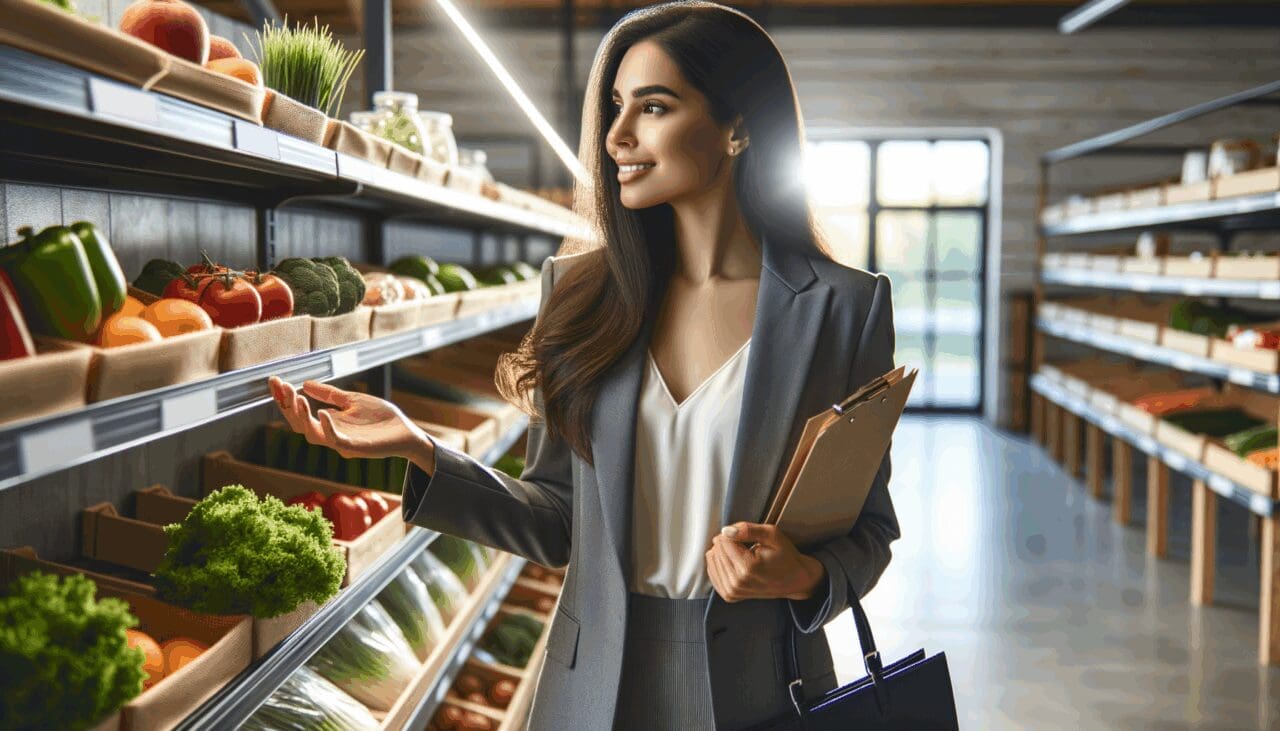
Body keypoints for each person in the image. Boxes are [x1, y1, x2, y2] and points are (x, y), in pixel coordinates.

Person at [267, 1, 899, 727]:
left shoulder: (843, 308)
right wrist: (419, 446)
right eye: (614, 107)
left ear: (739, 127)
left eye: (653, 107)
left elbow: (870, 529)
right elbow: (558, 518)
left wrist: (805, 574)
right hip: (597, 686)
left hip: (766, 689)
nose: (617, 136)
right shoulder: (582, 293)